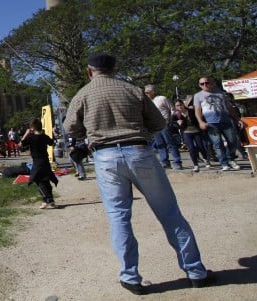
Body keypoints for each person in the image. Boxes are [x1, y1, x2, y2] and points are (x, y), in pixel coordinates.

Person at [65, 53, 212, 294]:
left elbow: (70, 127)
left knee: (119, 217)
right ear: (114, 69)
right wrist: (142, 133)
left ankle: (130, 276)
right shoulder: (133, 90)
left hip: (105, 156)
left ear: (89, 71)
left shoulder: (82, 94)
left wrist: (87, 133)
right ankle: (195, 271)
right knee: (169, 212)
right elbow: (159, 123)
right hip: (138, 150)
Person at [194, 77, 241, 171]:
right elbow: (197, 111)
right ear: (199, 85)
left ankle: (230, 158)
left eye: (206, 83)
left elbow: (229, 107)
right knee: (217, 143)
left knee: (233, 141)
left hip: (225, 120)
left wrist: (237, 119)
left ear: (211, 83)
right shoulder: (198, 96)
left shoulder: (221, 93)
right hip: (211, 123)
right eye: (202, 84)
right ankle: (224, 163)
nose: (205, 85)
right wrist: (201, 122)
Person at [20, 118, 58, 209]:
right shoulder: (44, 137)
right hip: (45, 161)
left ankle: (48, 199)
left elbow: (21, 144)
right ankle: (47, 201)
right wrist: (52, 132)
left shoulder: (31, 137)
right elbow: (52, 142)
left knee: (38, 180)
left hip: (38, 162)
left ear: (32, 128)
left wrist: (26, 133)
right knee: (46, 180)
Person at [145, 85, 183, 170]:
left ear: (153, 92)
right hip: (155, 126)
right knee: (160, 144)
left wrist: (170, 120)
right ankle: (164, 161)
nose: (146, 94)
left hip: (165, 124)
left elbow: (172, 109)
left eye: (147, 92)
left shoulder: (162, 98)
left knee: (170, 143)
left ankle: (177, 162)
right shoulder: (147, 102)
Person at [172, 99, 211, 172]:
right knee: (191, 148)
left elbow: (199, 118)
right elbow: (173, 123)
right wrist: (177, 123)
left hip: (196, 131)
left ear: (183, 104)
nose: (180, 107)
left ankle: (206, 159)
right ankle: (195, 164)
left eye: (180, 105)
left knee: (200, 146)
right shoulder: (176, 114)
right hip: (186, 132)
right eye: (177, 105)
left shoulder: (191, 111)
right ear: (175, 107)